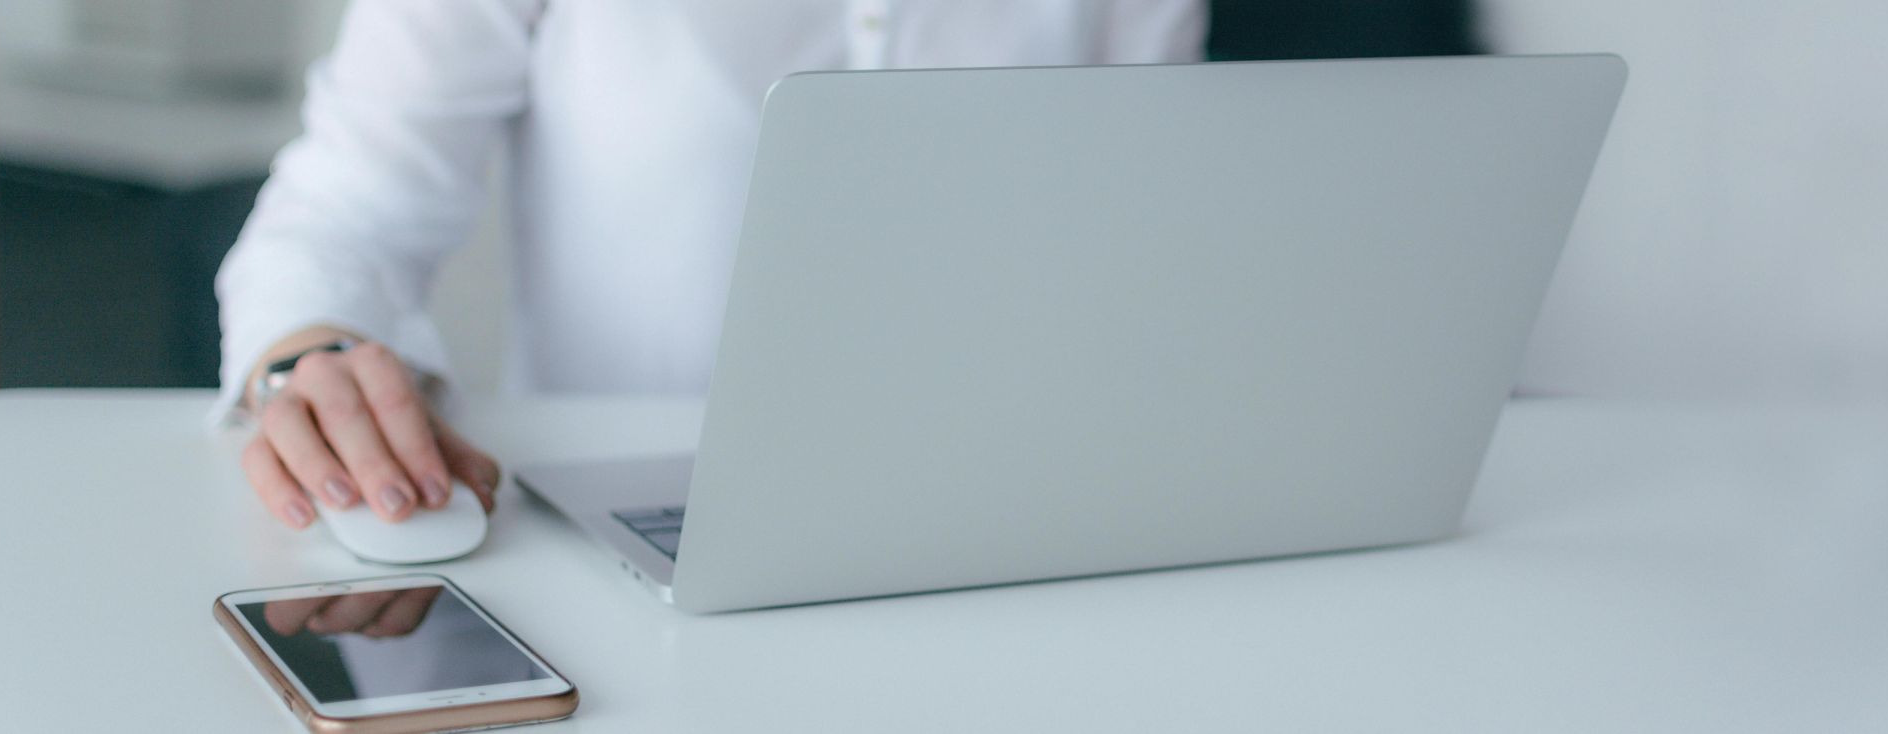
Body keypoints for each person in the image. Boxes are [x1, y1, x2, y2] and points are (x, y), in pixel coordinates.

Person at [216, 1, 1209, 529]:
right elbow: (345, 207)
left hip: (1012, 519)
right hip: (607, 529)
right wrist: (310, 352)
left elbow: (1150, 236)